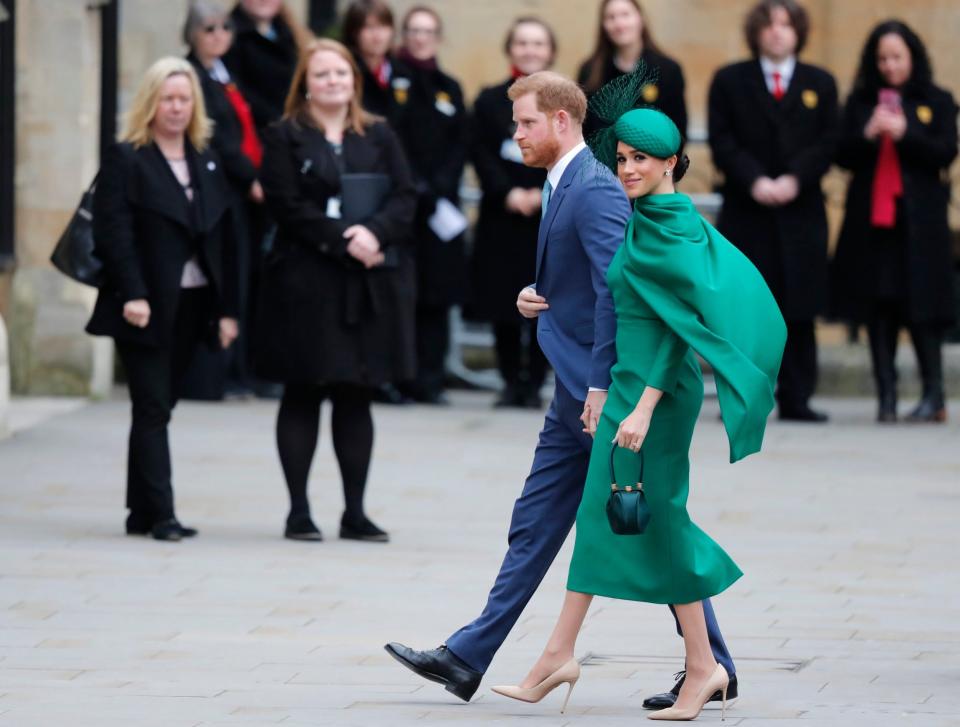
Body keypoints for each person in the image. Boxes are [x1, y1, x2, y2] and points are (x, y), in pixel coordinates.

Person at [384, 72, 738, 710]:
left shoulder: (595, 188)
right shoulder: (565, 182)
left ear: (562, 122)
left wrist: (602, 387)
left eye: (524, 122)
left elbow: (618, 293)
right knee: (541, 518)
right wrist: (536, 299)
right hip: (574, 388)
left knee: (645, 517)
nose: (514, 133)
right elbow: (588, 281)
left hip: (602, 391)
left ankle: (710, 663)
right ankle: (468, 656)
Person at [489, 93, 786, 721]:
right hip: (626, 389)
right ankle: (567, 655)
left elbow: (679, 331)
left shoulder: (672, 223)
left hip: (654, 397)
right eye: (621, 157)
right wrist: (551, 314)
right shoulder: (642, 216)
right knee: (614, 519)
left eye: (641, 159)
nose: (627, 169)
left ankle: (693, 668)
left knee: (660, 519)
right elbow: (613, 296)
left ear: (672, 163)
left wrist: (643, 406)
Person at [255, 38, 417, 543]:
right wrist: (345, 239)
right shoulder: (284, 135)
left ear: (354, 81)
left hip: (366, 284)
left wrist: (374, 233)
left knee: (356, 393)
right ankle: (298, 510)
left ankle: (355, 511)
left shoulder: (380, 133)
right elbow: (284, 204)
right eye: (322, 74)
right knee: (303, 390)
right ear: (306, 83)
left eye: (341, 74)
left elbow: (405, 195)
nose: (333, 82)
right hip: (306, 281)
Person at [85, 57, 239, 541]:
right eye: (168, 99)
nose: (176, 108)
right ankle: (164, 514)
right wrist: (133, 292)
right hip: (144, 304)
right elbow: (114, 233)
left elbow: (223, 237)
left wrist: (226, 310)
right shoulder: (127, 157)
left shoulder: (205, 158)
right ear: (150, 104)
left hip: (192, 303)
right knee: (152, 406)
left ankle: (140, 510)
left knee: (159, 406)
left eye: (184, 99)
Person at [708, 0, 838, 422]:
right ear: (756, 33)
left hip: (801, 211)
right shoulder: (729, 81)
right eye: (769, 25)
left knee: (799, 307)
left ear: (798, 31)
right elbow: (722, 139)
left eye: (786, 25)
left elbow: (828, 141)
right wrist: (755, 180)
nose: (777, 32)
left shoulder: (821, 81)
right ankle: (745, 399)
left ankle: (797, 396)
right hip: (749, 210)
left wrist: (795, 178)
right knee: (746, 308)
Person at [832, 20, 957, 423]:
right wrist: (868, 132)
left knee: (924, 309)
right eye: (882, 58)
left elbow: (944, 152)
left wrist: (907, 132)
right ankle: (885, 397)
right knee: (878, 308)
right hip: (873, 224)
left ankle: (933, 396)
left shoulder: (936, 100)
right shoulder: (860, 102)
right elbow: (841, 154)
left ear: (912, 57)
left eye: (897, 57)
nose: (889, 66)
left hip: (920, 225)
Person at [471, 17, 556, 409]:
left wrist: (543, 194)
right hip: (502, 214)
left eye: (537, 43)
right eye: (521, 43)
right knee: (503, 299)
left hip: (549, 215)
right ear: (510, 49)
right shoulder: (490, 100)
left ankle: (536, 381)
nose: (529, 50)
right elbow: (482, 152)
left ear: (550, 51)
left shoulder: (564, 102)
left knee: (547, 299)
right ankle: (509, 379)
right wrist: (506, 193)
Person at [184, 0, 265, 399]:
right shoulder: (193, 76)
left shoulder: (224, 74)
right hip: (219, 189)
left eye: (225, 29)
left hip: (239, 189)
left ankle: (239, 370)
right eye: (209, 29)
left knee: (242, 276)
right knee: (223, 275)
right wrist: (250, 178)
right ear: (193, 34)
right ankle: (220, 373)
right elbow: (216, 135)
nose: (219, 37)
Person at [390, 5, 469, 405]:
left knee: (437, 295)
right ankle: (402, 377)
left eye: (428, 31)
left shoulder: (449, 86)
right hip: (404, 204)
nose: (420, 38)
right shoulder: (393, 81)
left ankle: (432, 379)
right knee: (405, 293)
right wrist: (416, 186)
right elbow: (391, 136)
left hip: (441, 206)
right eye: (414, 30)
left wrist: (439, 186)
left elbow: (460, 143)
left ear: (438, 37)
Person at [577, 0, 687, 139]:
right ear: (603, 25)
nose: (619, 24)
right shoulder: (590, 71)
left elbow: (677, 130)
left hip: (654, 158)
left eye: (625, 15)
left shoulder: (668, 70)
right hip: (600, 159)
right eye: (611, 17)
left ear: (640, 18)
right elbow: (583, 129)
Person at [224, 0, 309, 131]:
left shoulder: (293, 33)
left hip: (293, 127)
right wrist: (277, 119)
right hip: (253, 132)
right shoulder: (225, 35)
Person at [343, 0, 413, 127]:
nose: (377, 36)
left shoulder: (404, 72)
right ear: (354, 32)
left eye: (383, 26)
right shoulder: (344, 72)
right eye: (368, 27)